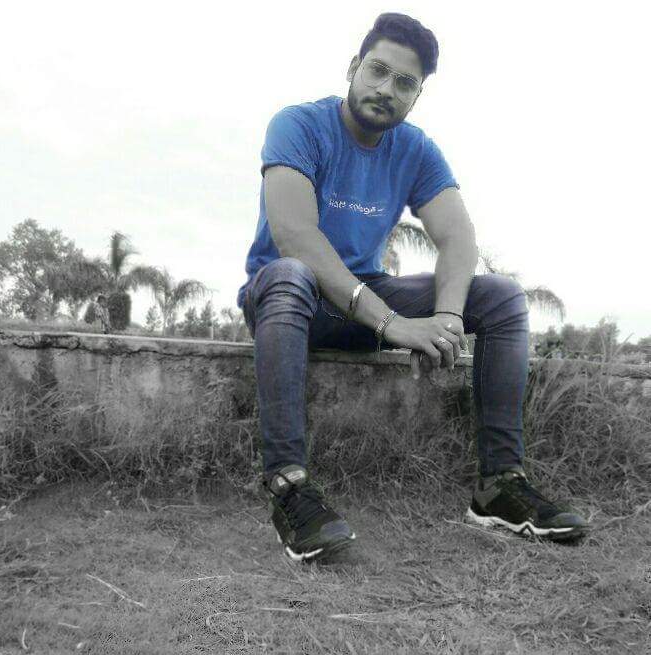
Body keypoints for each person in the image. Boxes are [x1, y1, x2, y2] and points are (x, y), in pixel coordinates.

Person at [236, 13, 589, 562]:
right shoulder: (298, 125)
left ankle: (499, 485)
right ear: (353, 68)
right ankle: (290, 487)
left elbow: (458, 235)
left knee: (500, 295)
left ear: (416, 95)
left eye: (405, 82)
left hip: (365, 299)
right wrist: (391, 322)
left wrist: (447, 317)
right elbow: (294, 235)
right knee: (290, 274)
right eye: (378, 71)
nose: (387, 89)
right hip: (292, 305)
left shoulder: (415, 149)